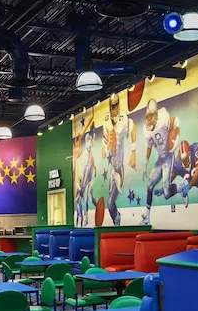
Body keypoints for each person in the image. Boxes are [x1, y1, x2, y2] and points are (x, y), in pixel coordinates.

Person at [140, 98, 180, 226]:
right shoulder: (146, 130)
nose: (149, 119)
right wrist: (145, 162)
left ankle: (181, 187)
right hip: (160, 159)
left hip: (168, 157)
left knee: (167, 193)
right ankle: (147, 217)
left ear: (156, 116)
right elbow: (149, 145)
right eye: (147, 117)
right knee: (149, 185)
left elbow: (175, 121)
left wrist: (175, 139)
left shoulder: (163, 119)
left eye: (152, 116)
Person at [102, 93, 136, 226]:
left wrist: (133, 151)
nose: (115, 109)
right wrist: (108, 144)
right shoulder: (107, 126)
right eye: (113, 106)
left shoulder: (123, 120)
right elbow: (103, 153)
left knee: (110, 202)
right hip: (112, 170)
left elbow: (132, 127)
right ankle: (116, 219)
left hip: (119, 169)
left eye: (116, 106)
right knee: (110, 203)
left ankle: (117, 219)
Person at [74, 113, 97, 227]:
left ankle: (85, 217)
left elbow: (91, 156)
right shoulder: (84, 147)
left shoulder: (88, 146)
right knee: (82, 198)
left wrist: (94, 167)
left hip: (88, 168)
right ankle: (82, 219)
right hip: (87, 168)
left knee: (88, 196)